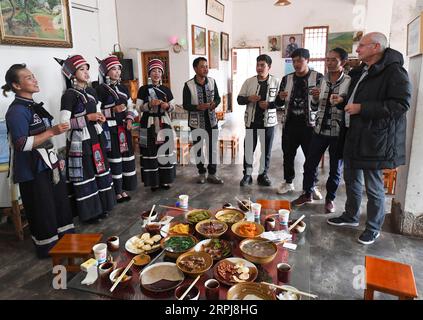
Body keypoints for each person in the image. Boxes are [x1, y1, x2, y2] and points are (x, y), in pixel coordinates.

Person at [327, 32, 411, 245]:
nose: (357, 50)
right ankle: (351, 216)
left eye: (362, 46)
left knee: (373, 187)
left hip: (375, 138)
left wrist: (361, 108)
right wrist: (343, 100)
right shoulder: (363, 69)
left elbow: (401, 105)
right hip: (354, 133)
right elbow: (358, 97)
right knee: (351, 178)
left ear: (376, 47)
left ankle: (373, 227)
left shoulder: (394, 71)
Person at [3, 64, 75, 258]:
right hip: (32, 168)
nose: (35, 80)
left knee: (58, 203)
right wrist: (52, 131)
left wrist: (56, 157)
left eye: (34, 76)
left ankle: (64, 240)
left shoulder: (32, 106)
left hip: (48, 162)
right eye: (28, 78)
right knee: (42, 207)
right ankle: (48, 247)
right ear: (16, 85)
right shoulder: (16, 111)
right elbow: (21, 144)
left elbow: (45, 138)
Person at [55, 55, 116, 223]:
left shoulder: (91, 91)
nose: (86, 72)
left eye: (87, 68)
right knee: (86, 174)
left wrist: (99, 117)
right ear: (72, 74)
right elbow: (64, 124)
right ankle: (90, 213)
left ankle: (102, 207)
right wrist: (87, 118)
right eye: (82, 69)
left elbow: (96, 112)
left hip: (95, 137)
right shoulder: (68, 95)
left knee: (99, 169)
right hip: (79, 142)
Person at [291, 48, 351, 213]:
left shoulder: (349, 82)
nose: (329, 63)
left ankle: (330, 199)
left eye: (334, 60)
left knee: (335, 169)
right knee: (309, 164)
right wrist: (316, 98)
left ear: (343, 62)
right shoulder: (322, 80)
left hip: (338, 133)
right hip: (318, 130)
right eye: (328, 59)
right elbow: (316, 106)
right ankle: (307, 193)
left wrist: (341, 101)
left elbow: (350, 107)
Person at [275, 48, 324, 196]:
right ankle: (288, 182)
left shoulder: (318, 78)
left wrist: (317, 97)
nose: (296, 64)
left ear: (307, 60)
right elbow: (278, 102)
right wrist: (280, 98)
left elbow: (324, 101)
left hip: (310, 125)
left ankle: (312, 185)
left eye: (300, 61)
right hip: (290, 124)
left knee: (311, 157)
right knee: (288, 155)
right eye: (294, 61)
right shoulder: (286, 79)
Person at [96, 55, 138, 202]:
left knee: (125, 158)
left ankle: (124, 189)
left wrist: (129, 118)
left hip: (123, 129)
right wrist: (113, 111)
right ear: (105, 72)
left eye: (119, 69)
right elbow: (97, 113)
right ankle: (116, 190)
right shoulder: (100, 89)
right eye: (113, 69)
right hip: (110, 130)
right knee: (114, 159)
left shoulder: (123, 87)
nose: (117, 72)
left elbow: (131, 107)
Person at [237, 54, 280, 187]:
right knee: (249, 149)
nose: (259, 68)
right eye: (258, 65)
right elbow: (239, 100)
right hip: (252, 123)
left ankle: (263, 175)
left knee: (266, 151)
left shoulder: (276, 82)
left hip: (269, 123)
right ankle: (247, 175)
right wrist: (249, 98)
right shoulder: (249, 82)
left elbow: (281, 102)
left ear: (269, 67)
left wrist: (269, 105)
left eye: (263, 65)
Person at [136, 59, 176, 191]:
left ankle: (165, 180)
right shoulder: (143, 89)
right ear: (149, 73)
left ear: (162, 73)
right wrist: (149, 105)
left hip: (163, 122)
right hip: (147, 123)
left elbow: (173, 107)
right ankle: (153, 182)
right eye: (154, 71)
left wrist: (167, 106)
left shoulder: (166, 89)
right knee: (149, 151)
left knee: (165, 150)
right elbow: (138, 108)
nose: (156, 74)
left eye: (159, 71)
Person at [183, 57, 224, 184]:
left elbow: (217, 98)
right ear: (195, 68)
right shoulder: (188, 85)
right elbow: (185, 105)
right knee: (199, 148)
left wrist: (214, 104)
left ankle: (212, 173)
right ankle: (201, 172)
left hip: (212, 121)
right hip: (196, 123)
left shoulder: (212, 81)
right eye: (202, 66)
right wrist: (197, 107)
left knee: (213, 148)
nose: (205, 69)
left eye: (206, 66)